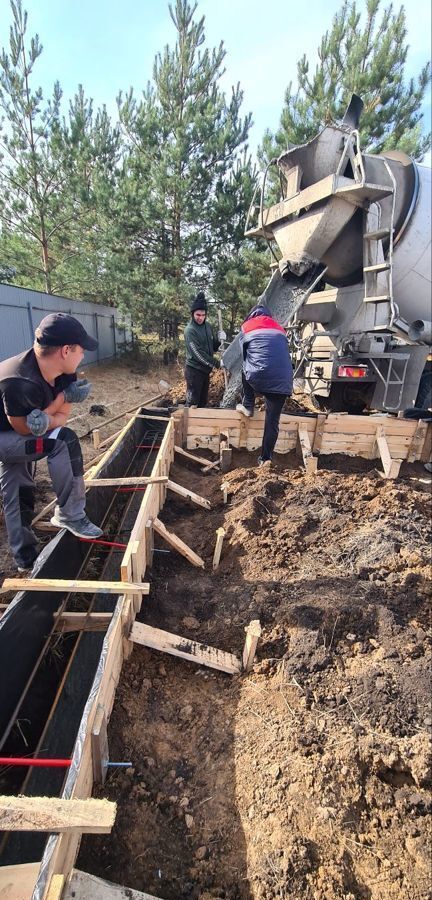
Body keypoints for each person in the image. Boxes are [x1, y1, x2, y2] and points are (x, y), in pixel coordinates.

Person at [0, 313, 103, 572]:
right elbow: (23, 427)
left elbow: (62, 417)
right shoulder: (19, 381)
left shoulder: (66, 375)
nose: (83, 356)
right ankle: (70, 514)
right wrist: (51, 415)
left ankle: (25, 558)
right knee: (63, 443)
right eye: (81, 351)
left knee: (17, 487)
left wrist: (51, 412)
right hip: (6, 436)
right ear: (66, 350)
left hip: (16, 433)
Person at [236, 304, 293, 465]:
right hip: (284, 380)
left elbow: (246, 355)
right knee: (272, 421)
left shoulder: (247, 326)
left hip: (258, 376)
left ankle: (248, 405)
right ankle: (265, 459)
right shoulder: (280, 329)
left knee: (245, 366)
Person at [184, 291, 223, 407]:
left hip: (205, 371)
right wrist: (217, 363)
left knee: (202, 402)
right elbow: (198, 354)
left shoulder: (207, 326)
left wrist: (221, 340)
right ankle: (188, 424)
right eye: (198, 315)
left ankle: (199, 424)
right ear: (193, 314)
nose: (201, 318)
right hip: (194, 372)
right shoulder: (190, 330)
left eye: (203, 315)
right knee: (192, 403)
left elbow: (214, 346)